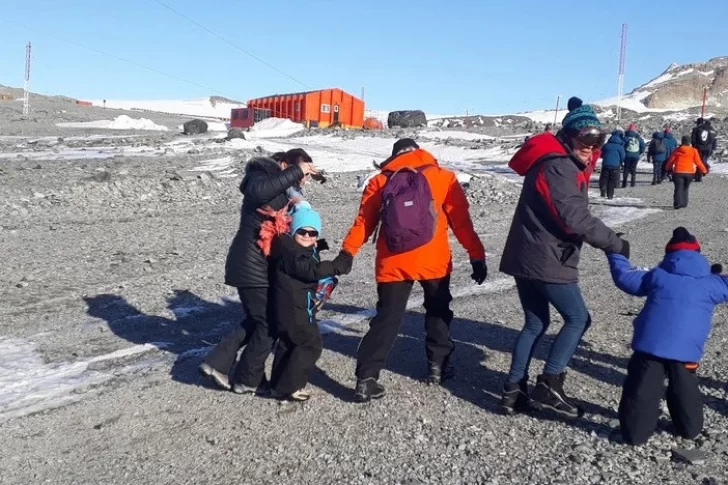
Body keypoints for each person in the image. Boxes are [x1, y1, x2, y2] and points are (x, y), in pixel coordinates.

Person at [499, 101, 628, 417]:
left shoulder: (554, 160)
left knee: (535, 322)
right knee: (578, 318)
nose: (591, 147)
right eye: (585, 138)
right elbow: (575, 218)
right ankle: (549, 385)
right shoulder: (559, 165)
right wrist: (615, 244)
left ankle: (513, 392)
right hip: (546, 257)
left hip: (527, 254)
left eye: (598, 140)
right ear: (568, 135)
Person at [342, 138, 487, 402]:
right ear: (419, 151)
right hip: (434, 260)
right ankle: (437, 367)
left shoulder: (380, 181)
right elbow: (461, 221)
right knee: (438, 311)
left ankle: (366, 378)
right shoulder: (443, 177)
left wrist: (347, 252)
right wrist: (477, 255)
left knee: (387, 318)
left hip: (393, 261)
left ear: (394, 155)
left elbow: (364, 223)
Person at [199, 149, 319, 392]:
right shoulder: (259, 174)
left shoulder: (282, 190)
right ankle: (246, 379)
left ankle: (220, 363)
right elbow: (258, 192)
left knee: (258, 320)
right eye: (301, 173)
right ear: (285, 165)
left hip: (259, 265)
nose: (303, 180)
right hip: (250, 264)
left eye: (305, 176)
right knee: (268, 323)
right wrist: (297, 171)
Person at [605, 227, 728, 445]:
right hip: (688, 350)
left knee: (642, 388)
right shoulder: (711, 284)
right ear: (699, 255)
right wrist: (716, 276)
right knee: (685, 387)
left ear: (669, 255)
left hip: (650, 346)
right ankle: (689, 428)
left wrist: (617, 252)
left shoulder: (657, 276)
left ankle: (636, 434)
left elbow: (624, 278)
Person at [268, 206, 353, 401]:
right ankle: (289, 387)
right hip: (296, 310)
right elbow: (309, 269)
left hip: (288, 308)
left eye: (312, 232)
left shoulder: (290, 246)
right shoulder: (292, 253)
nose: (307, 235)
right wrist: (337, 266)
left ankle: (278, 386)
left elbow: (306, 257)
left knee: (288, 345)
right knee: (310, 345)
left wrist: (318, 246)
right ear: (293, 230)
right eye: (302, 231)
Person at [664, 136, 708, 210]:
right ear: (689, 142)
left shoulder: (677, 150)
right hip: (689, 173)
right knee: (685, 188)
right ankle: (684, 203)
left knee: (678, 188)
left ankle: (678, 204)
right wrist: (704, 171)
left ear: (682, 141)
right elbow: (698, 162)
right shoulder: (694, 150)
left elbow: (671, 161)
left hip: (678, 172)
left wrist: (667, 169)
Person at [599, 129, 626, 199]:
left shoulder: (606, 145)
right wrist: (620, 161)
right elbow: (623, 156)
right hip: (615, 165)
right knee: (611, 180)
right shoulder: (620, 147)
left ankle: (603, 190)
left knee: (604, 178)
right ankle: (610, 195)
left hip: (606, 164)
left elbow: (601, 154)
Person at [691, 118, 718, 182]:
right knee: (703, 160)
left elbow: (693, 139)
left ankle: (699, 174)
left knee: (699, 161)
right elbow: (714, 140)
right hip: (709, 148)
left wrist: (694, 147)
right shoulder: (712, 129)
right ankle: (701, 172)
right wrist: (713, 148)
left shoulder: (696, 129)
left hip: (699, 147)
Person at [622, 124, 646, 188]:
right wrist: (638, 153)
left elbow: (622, 147)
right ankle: (633, 183)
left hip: (627, 155)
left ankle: (624, 183)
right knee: (633, 168)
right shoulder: (638, 138)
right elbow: (643, 147)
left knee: (626, 169)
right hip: (635, 155)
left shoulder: (625, 138)